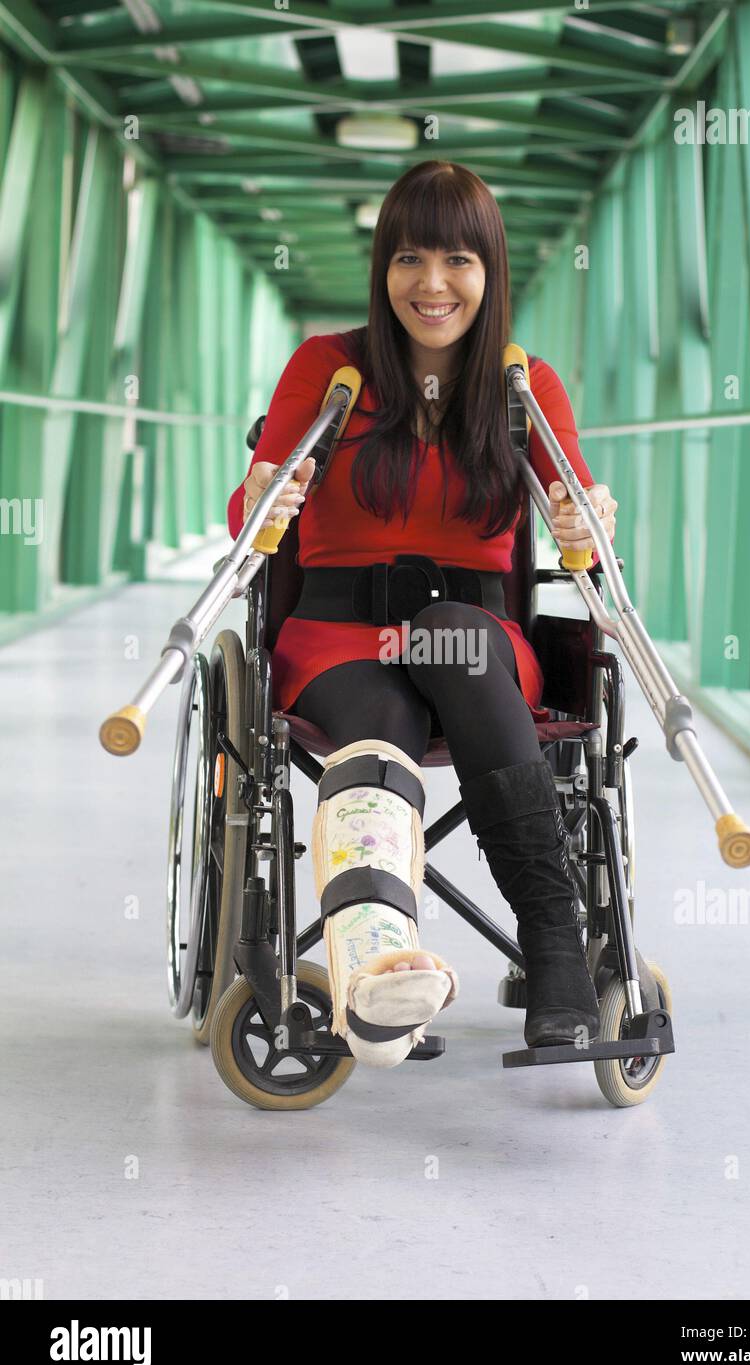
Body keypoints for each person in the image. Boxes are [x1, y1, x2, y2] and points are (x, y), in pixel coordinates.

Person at [227, 160, 618, 1069]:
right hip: (338, 642)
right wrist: (259, 500)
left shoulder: (526, 388)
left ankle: (555, 949)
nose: (432, 285)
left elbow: (582, 530)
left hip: (476, 646)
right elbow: (255, 514)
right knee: (378, 717)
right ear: (382, 268)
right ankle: (377, 973)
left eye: (457, 260)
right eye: (408, 258)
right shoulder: (330, 371)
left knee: (462, 644)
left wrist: (585, 520)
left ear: (491, 270)